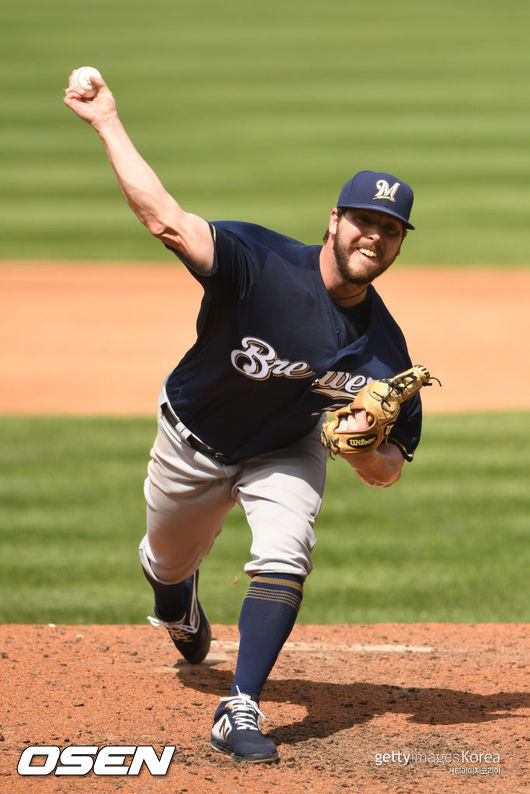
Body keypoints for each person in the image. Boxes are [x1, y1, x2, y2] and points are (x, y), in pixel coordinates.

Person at [64, 70, 423, 764]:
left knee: (287, 547)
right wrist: (106, 120)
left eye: (390, 229)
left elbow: (388, 471)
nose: (374, 237)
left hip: (287, 448)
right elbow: (166, 219)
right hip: (191, 438)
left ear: (400, 243)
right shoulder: (259, 262)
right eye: (363, 221)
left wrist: (357, 449)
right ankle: (176, 602)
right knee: (168, 566)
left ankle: (240, 706)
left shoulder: (388, 354)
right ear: (333, 221)